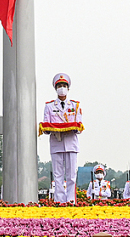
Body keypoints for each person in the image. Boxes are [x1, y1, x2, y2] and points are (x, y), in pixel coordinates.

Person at [40, 73, 83, 204]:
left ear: (68, 88)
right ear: (55, 88)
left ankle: (70, 200)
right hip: (56, 143)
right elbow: (46, 125)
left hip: (71, 143)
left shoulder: (75, 105)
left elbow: (79, 125)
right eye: (59, 86)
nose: (62, 88)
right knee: (58, 175)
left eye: (64, 86)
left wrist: (70, 127)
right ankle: (59, 200)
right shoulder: (49, 106)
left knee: (71, 175)